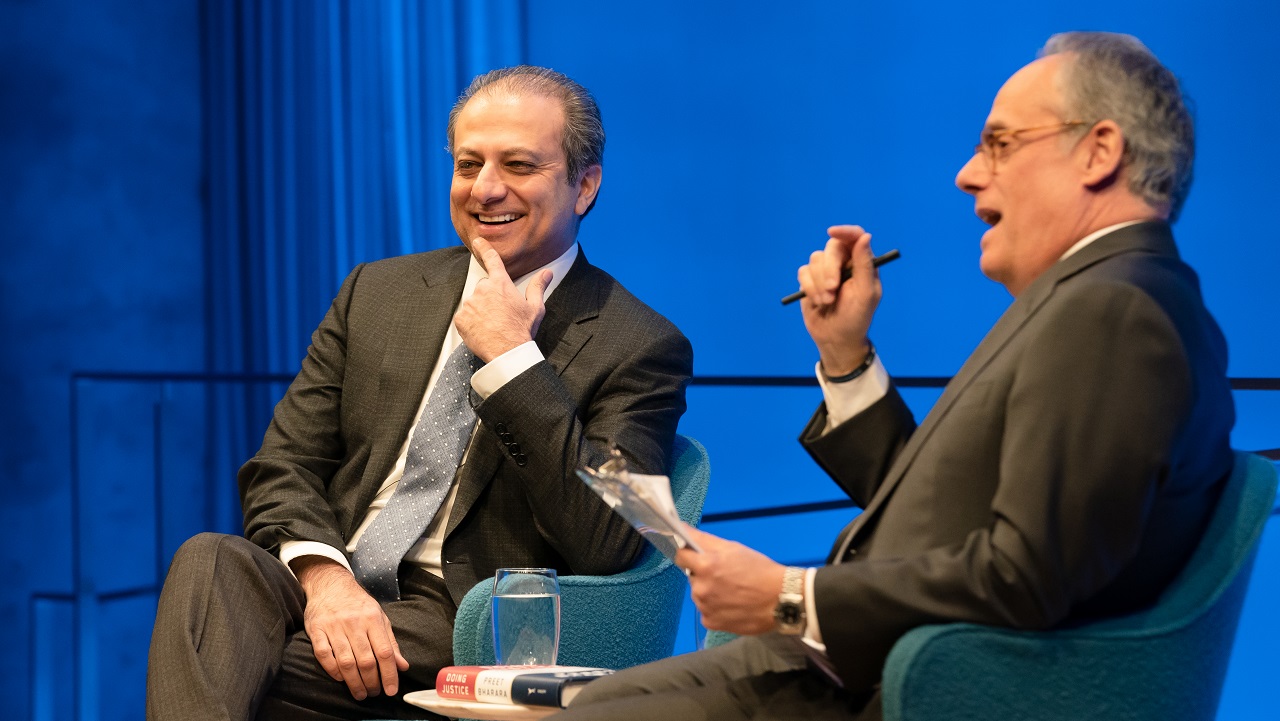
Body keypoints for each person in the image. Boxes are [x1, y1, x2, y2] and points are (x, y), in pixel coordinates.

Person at [554, 31, 1234, 721]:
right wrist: (846, 356)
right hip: (862, 665)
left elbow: (1027, 577)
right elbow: (946, 515)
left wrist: (791, 595)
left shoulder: (1113, 312)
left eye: (999, 143)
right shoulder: (1100, 299)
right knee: (598, 701)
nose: (968, 173)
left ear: (1099, 151)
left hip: (918, 689)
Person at [145, 65, 693, 721]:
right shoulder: (375, 292)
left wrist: (515, 361)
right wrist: (327, 581)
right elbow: (283, 465)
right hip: (337, 576)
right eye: (469, 164)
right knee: (209, 561)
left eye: (517, 164)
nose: (486, 189)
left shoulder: (641, 344)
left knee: (232, 661)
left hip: (463, 611)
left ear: (584, 185)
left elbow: (610, 540)